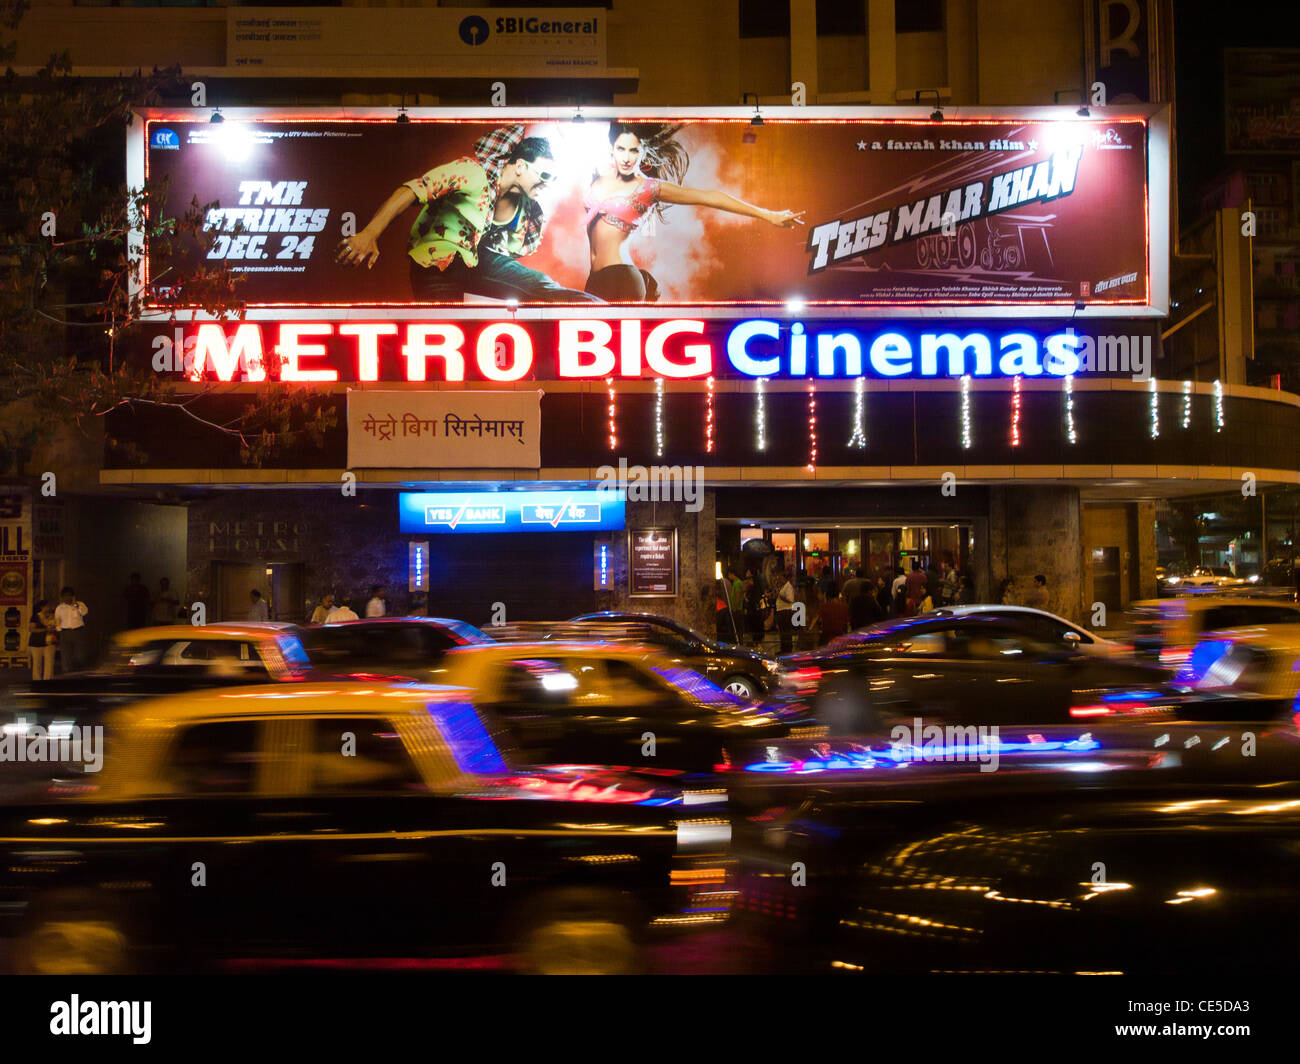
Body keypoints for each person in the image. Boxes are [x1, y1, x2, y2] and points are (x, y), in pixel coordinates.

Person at [340, 125, 601, 304]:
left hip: (479, 261)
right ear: (520, 166)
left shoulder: (527, 211)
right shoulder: (471, 173)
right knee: (444, 333)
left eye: (552, 178)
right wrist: (369, 233)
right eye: (543, 175)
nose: (547, 183)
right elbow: (410, 191)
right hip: (436, 265)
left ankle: (604, 311)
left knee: (541, 285)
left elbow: (507, 262)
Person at [583, 122, 804, 301]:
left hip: (621, 277)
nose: (626, 157)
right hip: (594, 279)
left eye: (634, 150)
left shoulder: (648, 187)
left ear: (643, 152)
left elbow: (709, 197)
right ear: (612, 148)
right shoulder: (597, 176)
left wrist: (768, 215)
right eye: (621, 149)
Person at [54, 587, 89, 673]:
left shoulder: (80, 604)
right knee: (65, 654)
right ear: (62, 597)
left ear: (73, 596)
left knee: (79, 654)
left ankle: (78, 668)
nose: (67, 598)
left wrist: (76, 605)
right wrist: (58, 631)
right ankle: (67, 671)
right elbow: (57, 619)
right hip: (65, 632)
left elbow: (84, 612)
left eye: (69, 596)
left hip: (77, 631)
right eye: (65, 596)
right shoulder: (60, 607)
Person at [28, 599, 56, 681]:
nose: (48, 607)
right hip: (36, 643)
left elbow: (56, 626)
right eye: (47, 606)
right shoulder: (35, 616)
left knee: (49, 663)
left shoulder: (53, 616)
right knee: (37, 663)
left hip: (49, 642)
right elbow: (31, 629)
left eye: (49, 606)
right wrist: (44, 630)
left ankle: (48, 680)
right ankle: (37, 681)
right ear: (42, 607)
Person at [775, 568, 796, 654]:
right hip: (781, 611)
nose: (779, 579)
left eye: (780, 577)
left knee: (786, 631)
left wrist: (780, 595)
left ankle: (787, 648)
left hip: (785, 611)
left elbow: (790, 599)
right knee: (783, 631)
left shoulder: (788, 587)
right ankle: (784, 648)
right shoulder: (784, 586)